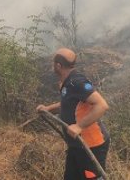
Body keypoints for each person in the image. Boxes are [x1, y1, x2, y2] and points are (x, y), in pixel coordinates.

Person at [36, 48, 110, 180]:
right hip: (76, 145)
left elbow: (102, 105)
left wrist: (79, 126)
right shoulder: (67, 82)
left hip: (92, 144)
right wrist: (47, 109)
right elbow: (68, 105)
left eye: (53, 63)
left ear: (58, 66)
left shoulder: (77, 82)